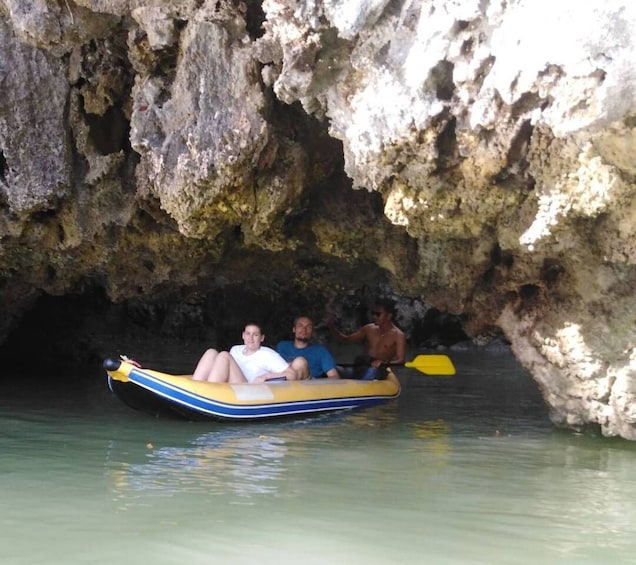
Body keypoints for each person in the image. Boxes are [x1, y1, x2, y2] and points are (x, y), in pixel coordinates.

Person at [327, 298, 406, 379]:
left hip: (379, 369)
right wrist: (332, 327)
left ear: (389, 316)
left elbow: (401, 361)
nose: (374, 316)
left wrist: (383, 363)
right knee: (333, 369)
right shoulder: (368, 329)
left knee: (371, 372)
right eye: (373, 313)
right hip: (362, 366)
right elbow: (346, 339)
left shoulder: (398, 335)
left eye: (378, 314)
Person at [192, 323, 299, 383]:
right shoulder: (235, 349)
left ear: (262, 338)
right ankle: (195, 386)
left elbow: (292, 374)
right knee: (211, 352)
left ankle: (210, 390)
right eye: (248, 334)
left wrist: (266, 377)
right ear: (243, 335)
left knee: (224, 355)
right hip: (231, 384)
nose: (251, 338)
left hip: (246, 388)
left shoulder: (268, 355)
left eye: (255, 335)